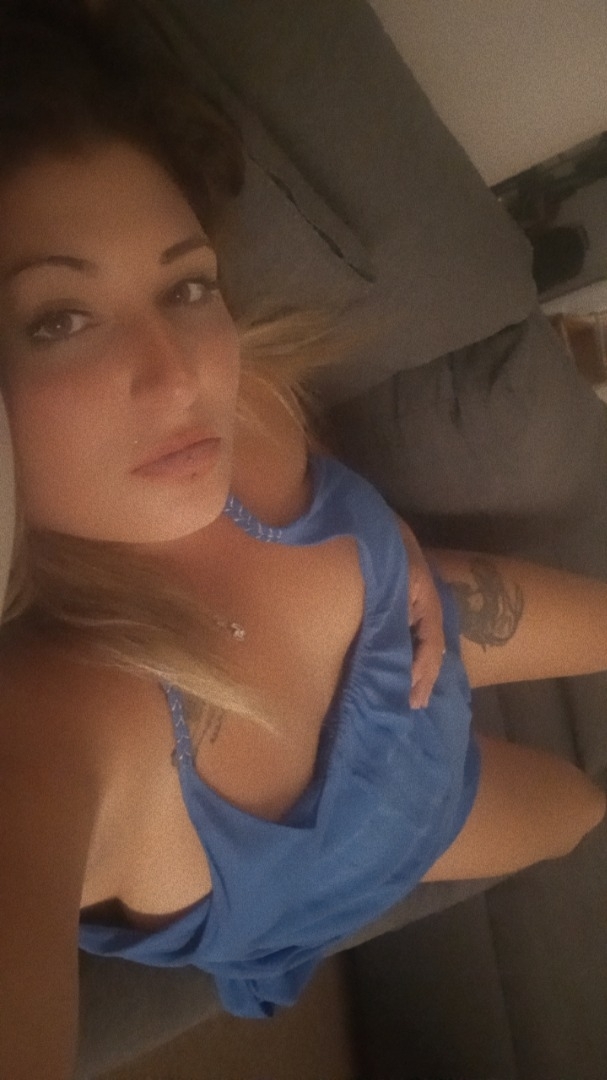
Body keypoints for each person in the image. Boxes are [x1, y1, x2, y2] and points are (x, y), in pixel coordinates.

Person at [0, 2, 605, 1076]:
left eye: (186, 284)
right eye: (59, 320)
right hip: (375, 850)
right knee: (578, 812)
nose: (181, 377)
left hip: (411, 639)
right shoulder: (52, 732)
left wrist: (383, 544)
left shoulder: (244, 394)